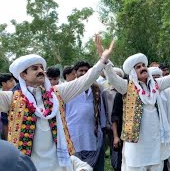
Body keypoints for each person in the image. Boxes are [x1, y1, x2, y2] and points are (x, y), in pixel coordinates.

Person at [0, 40, 115, 170]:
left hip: (57, 163)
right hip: (29, 165)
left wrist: (103, 60)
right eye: (35, 68)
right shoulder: (11, 98)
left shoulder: (56, 94)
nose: (41, 71)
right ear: (23, 75)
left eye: (41, 68)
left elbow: (84, 81)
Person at [103, 45, 170, 170]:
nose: (143, 68)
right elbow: (112, 78)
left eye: (144, 65)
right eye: (138, 67)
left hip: (155, 140)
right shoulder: (126, 87)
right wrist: (105, 61)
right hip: (136, 143)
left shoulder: (156, 84)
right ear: (133, 72)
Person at [65, 61, 107, 171]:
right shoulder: (67, 88)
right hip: (73, 134)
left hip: (93, 133)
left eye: (86, 71)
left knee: (95, 166)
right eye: (81, 71)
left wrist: (103, 128)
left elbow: (101, 111)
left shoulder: (97, 89)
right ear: (75, 72)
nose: (84, 73)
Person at [0, 73, 16, 140]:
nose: (14, 83)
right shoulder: (1, 95)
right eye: (11, 81)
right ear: (3, 83)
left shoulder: (16, 94)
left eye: (13, 80)